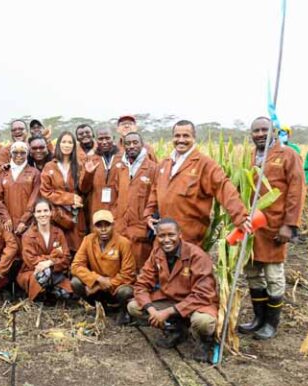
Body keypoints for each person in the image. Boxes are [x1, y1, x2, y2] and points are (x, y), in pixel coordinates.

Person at [238, 117, 305, 340]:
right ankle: (258, 319)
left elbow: (297, 191)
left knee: (273, 275)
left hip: (274, 227)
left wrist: (289, 225)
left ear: (273, 132)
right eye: (256, 130)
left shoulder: (288, 155)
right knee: (253, 273)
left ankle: (271, 323)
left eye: (264, 130)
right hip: (252, 227)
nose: (259, 134)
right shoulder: (250, 156)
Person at [144, 120, 250, 246]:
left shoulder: (205, 164)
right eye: (177, 136)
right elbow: (155, 190)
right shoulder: (165, 164)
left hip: (189, 239)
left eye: (186, 136)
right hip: (164, 238)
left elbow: (224, 188)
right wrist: (149, 213)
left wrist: (240, 217)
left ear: (194, 138)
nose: (181, 140)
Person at [127, 218, 218, 362]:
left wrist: (166, 312)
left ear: (180, 235)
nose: (166, 240)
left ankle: (205, 342)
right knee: (134, 307)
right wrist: (152, 311)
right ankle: (176, 329)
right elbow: (141, 285)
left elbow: (203, 294)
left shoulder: (197, 255)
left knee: (203, 322)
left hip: (196, 303)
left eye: (171, 235)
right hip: (170, 299)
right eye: (162, 236)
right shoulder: (157, 253)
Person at [71, 210, 136, 324]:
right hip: (96, 285)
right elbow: (76, 266)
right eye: (99, 226)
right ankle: (99, 306)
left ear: (113, 225)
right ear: (93, 227)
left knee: (126, 291)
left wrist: (103, 285)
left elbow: (128, 274)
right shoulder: (88, 240)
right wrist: (97, 279)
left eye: (107, 225)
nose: (103, 229)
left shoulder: (123, 243)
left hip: (115, 288)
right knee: (75, 282)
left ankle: (123, 310)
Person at [113, 132, 158, 268]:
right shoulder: (120, 168)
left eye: (135, 142)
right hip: (121, 229)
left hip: (140, 230)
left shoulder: (152, 168)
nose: (131, 146)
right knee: (120, 268)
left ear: (142, 144)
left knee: (141, 270)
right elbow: (115, 196)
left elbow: (156, 199)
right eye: (128, 143)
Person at [17, 198, 73, 301]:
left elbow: (66, 258)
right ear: (34, 214)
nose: (42, 214)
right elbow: (31, 261)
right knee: (45, 272)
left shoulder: (59, 232)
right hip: (33, 272)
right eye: (39, 211)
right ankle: (39, 292)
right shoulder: (27, 236)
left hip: (55, 271)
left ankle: (49, 292)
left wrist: (50, 262)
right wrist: (54, 257)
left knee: (66, 294)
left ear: (51, 212)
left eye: (45, 211)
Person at [40, 131, 87, 251]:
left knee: (77, 249)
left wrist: (89, 174)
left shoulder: (80, 165)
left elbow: (84, 189)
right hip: (57, 214)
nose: (67, 145)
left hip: (76, 215)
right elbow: (45, 192)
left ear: (74, 146)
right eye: (64, 142)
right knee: (57, 249)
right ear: (59, 144)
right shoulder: (49, 166)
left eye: (70, 142)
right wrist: (69, 198)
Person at [0, 141, 41, 235]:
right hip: (7, 224)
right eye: (15, 152)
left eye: (22, 153)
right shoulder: (5, 173)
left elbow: (34, 199)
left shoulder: (34, 173)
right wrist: (6, 218)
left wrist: (24, 220)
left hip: (28, 223)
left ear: (27, 154)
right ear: (10, 154)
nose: (19, 155)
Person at [80, 126, 120, 216]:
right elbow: (83, 189)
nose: (104, 142)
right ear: (95, 140)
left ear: (113, 138)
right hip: (96, 207)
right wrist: (88, 174)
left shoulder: (122, 158)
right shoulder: (90, 159)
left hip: (117, 207)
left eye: (107, 138)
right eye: (101, 139)